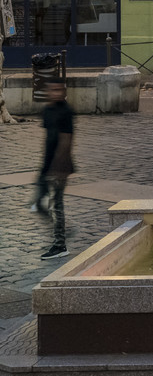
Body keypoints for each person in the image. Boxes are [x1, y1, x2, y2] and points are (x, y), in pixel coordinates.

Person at [32, 79, 74, 259]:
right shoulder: (47, 110)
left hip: (60, 166)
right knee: (38, 203)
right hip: (47, 165)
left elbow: (66, 140)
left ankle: (60, 245)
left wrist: (59, 168)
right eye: (52, 90)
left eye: (59, 90)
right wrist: (44, 167)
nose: (56, 93)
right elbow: (48, 139)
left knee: (56, 205)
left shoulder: (66, 111)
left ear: (63, 92)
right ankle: (63, 230)